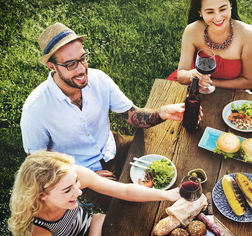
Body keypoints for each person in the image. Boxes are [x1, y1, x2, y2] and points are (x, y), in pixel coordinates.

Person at [21, 22, 186, 180]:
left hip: (113, 147)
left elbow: (133, 117)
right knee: (131, 206)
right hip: (78, 173)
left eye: (83, 58)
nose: (81, 69)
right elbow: (37, 165)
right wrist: (78, 174)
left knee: (169, 159)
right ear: (52, 66)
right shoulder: (35, 109)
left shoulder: (98, 78)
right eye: (71, 64)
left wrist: (162, 112)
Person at [8, 151, 180, 236]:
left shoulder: (69, 175)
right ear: (40, 196)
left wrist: (169, 195)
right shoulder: (38, 231)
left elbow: (125, 190)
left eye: (75, 181)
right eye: (67, 190)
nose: (79, 190)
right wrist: (96, 224)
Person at [166, 0, 252, 90]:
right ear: (200, 11)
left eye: (222, 9)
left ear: (230, 4)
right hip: (191, 87)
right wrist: (191, 75)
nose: (218, 17)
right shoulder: (191, 30)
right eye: (210, 11)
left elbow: (249, 82)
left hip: (229, 93)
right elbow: (181, 75)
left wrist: (210, 83)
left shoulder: (249, 36)